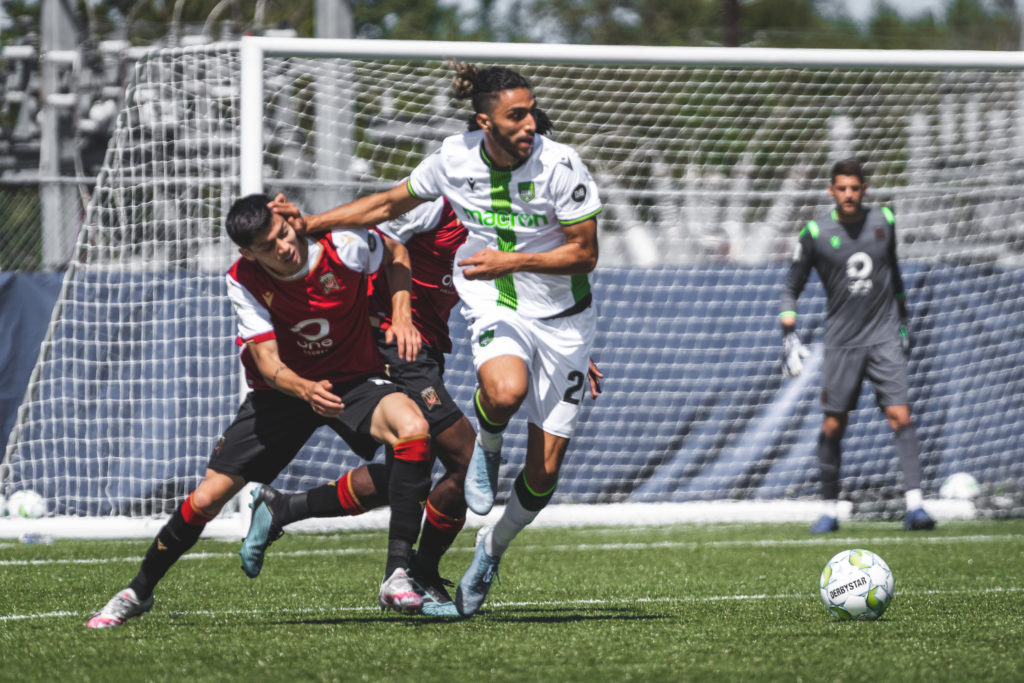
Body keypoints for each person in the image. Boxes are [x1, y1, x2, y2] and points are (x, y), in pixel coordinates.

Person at [269, 62, 602, 617]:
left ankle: (489, 549)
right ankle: (482, 463)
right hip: (491, 299)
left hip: (565, 319)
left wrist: (513, 262)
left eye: (531, 113)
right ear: (483, 121)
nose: (530, 125)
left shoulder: (563, 165)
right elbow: (383, 207)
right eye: (516, 115)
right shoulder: (452, 160)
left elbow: (585, 254)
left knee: (543, 475)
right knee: (501, 393)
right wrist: (310, 226)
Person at [86, 193, 434, 628]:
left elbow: (397, 250)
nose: (284, 246)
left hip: (354, 379)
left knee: (415, 430)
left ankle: (396, 575)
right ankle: (137, 591)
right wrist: (305, 389)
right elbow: (269, 365)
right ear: (247, 253)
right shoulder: (243, 279)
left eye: (283, 233)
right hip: (284, 392)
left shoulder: (341, 244)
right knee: (208, 497)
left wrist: (402, 315)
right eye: (269, 246)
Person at [240, 197, 476, 618]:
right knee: (467, 460)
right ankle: (414, 573)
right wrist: (306, 225)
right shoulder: (442, 197)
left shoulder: (505, 213)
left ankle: (283, 508)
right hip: (392, 342)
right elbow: (380, 222)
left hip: (426, 345)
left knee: (407, 475)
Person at [779, 159, 935, 534]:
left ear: (864, 189)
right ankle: (830, 509)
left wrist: (903, 318)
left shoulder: (885, 221)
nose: (849, 194)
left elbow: (894, 272)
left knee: (901, 416)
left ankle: (916, 507)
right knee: (834, 424)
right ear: (831, 191)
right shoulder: (815, 232)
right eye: (842, 188)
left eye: (855, 187)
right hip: (842, 342)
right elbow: (790, 287)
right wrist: (789, 333)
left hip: (883, 336)